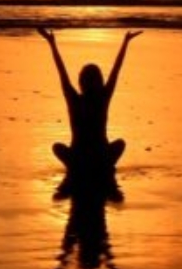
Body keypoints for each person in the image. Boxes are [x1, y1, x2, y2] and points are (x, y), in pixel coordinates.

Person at [37, 27, 142, 182]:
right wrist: (125, 42)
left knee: (57, 147)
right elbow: (116, 70)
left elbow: (62, 72)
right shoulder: (102, 97)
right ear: (99, 80)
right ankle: (101, 166)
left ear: (81, 82)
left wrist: (52, 43)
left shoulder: (75, 99)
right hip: (101, 156)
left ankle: (81, 167)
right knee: (120, 144)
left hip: (78, 157)